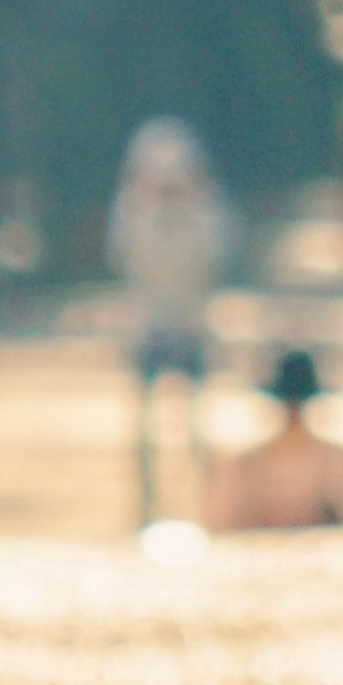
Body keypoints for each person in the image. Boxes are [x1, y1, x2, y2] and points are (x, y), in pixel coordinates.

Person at [107, 114, 229, 526]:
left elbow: (211, 262)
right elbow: (130, 261)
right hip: (150, 328)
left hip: (190, 327)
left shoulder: (206, 215)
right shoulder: (134, 214)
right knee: (144, 426)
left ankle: (202, 502)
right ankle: (145, 503)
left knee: (196, 424)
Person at [208, 342, 343, 535]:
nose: (294, 410)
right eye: (290, 403)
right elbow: (220, 525)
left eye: (298, 403)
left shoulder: (342, 463)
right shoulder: (244, 466)